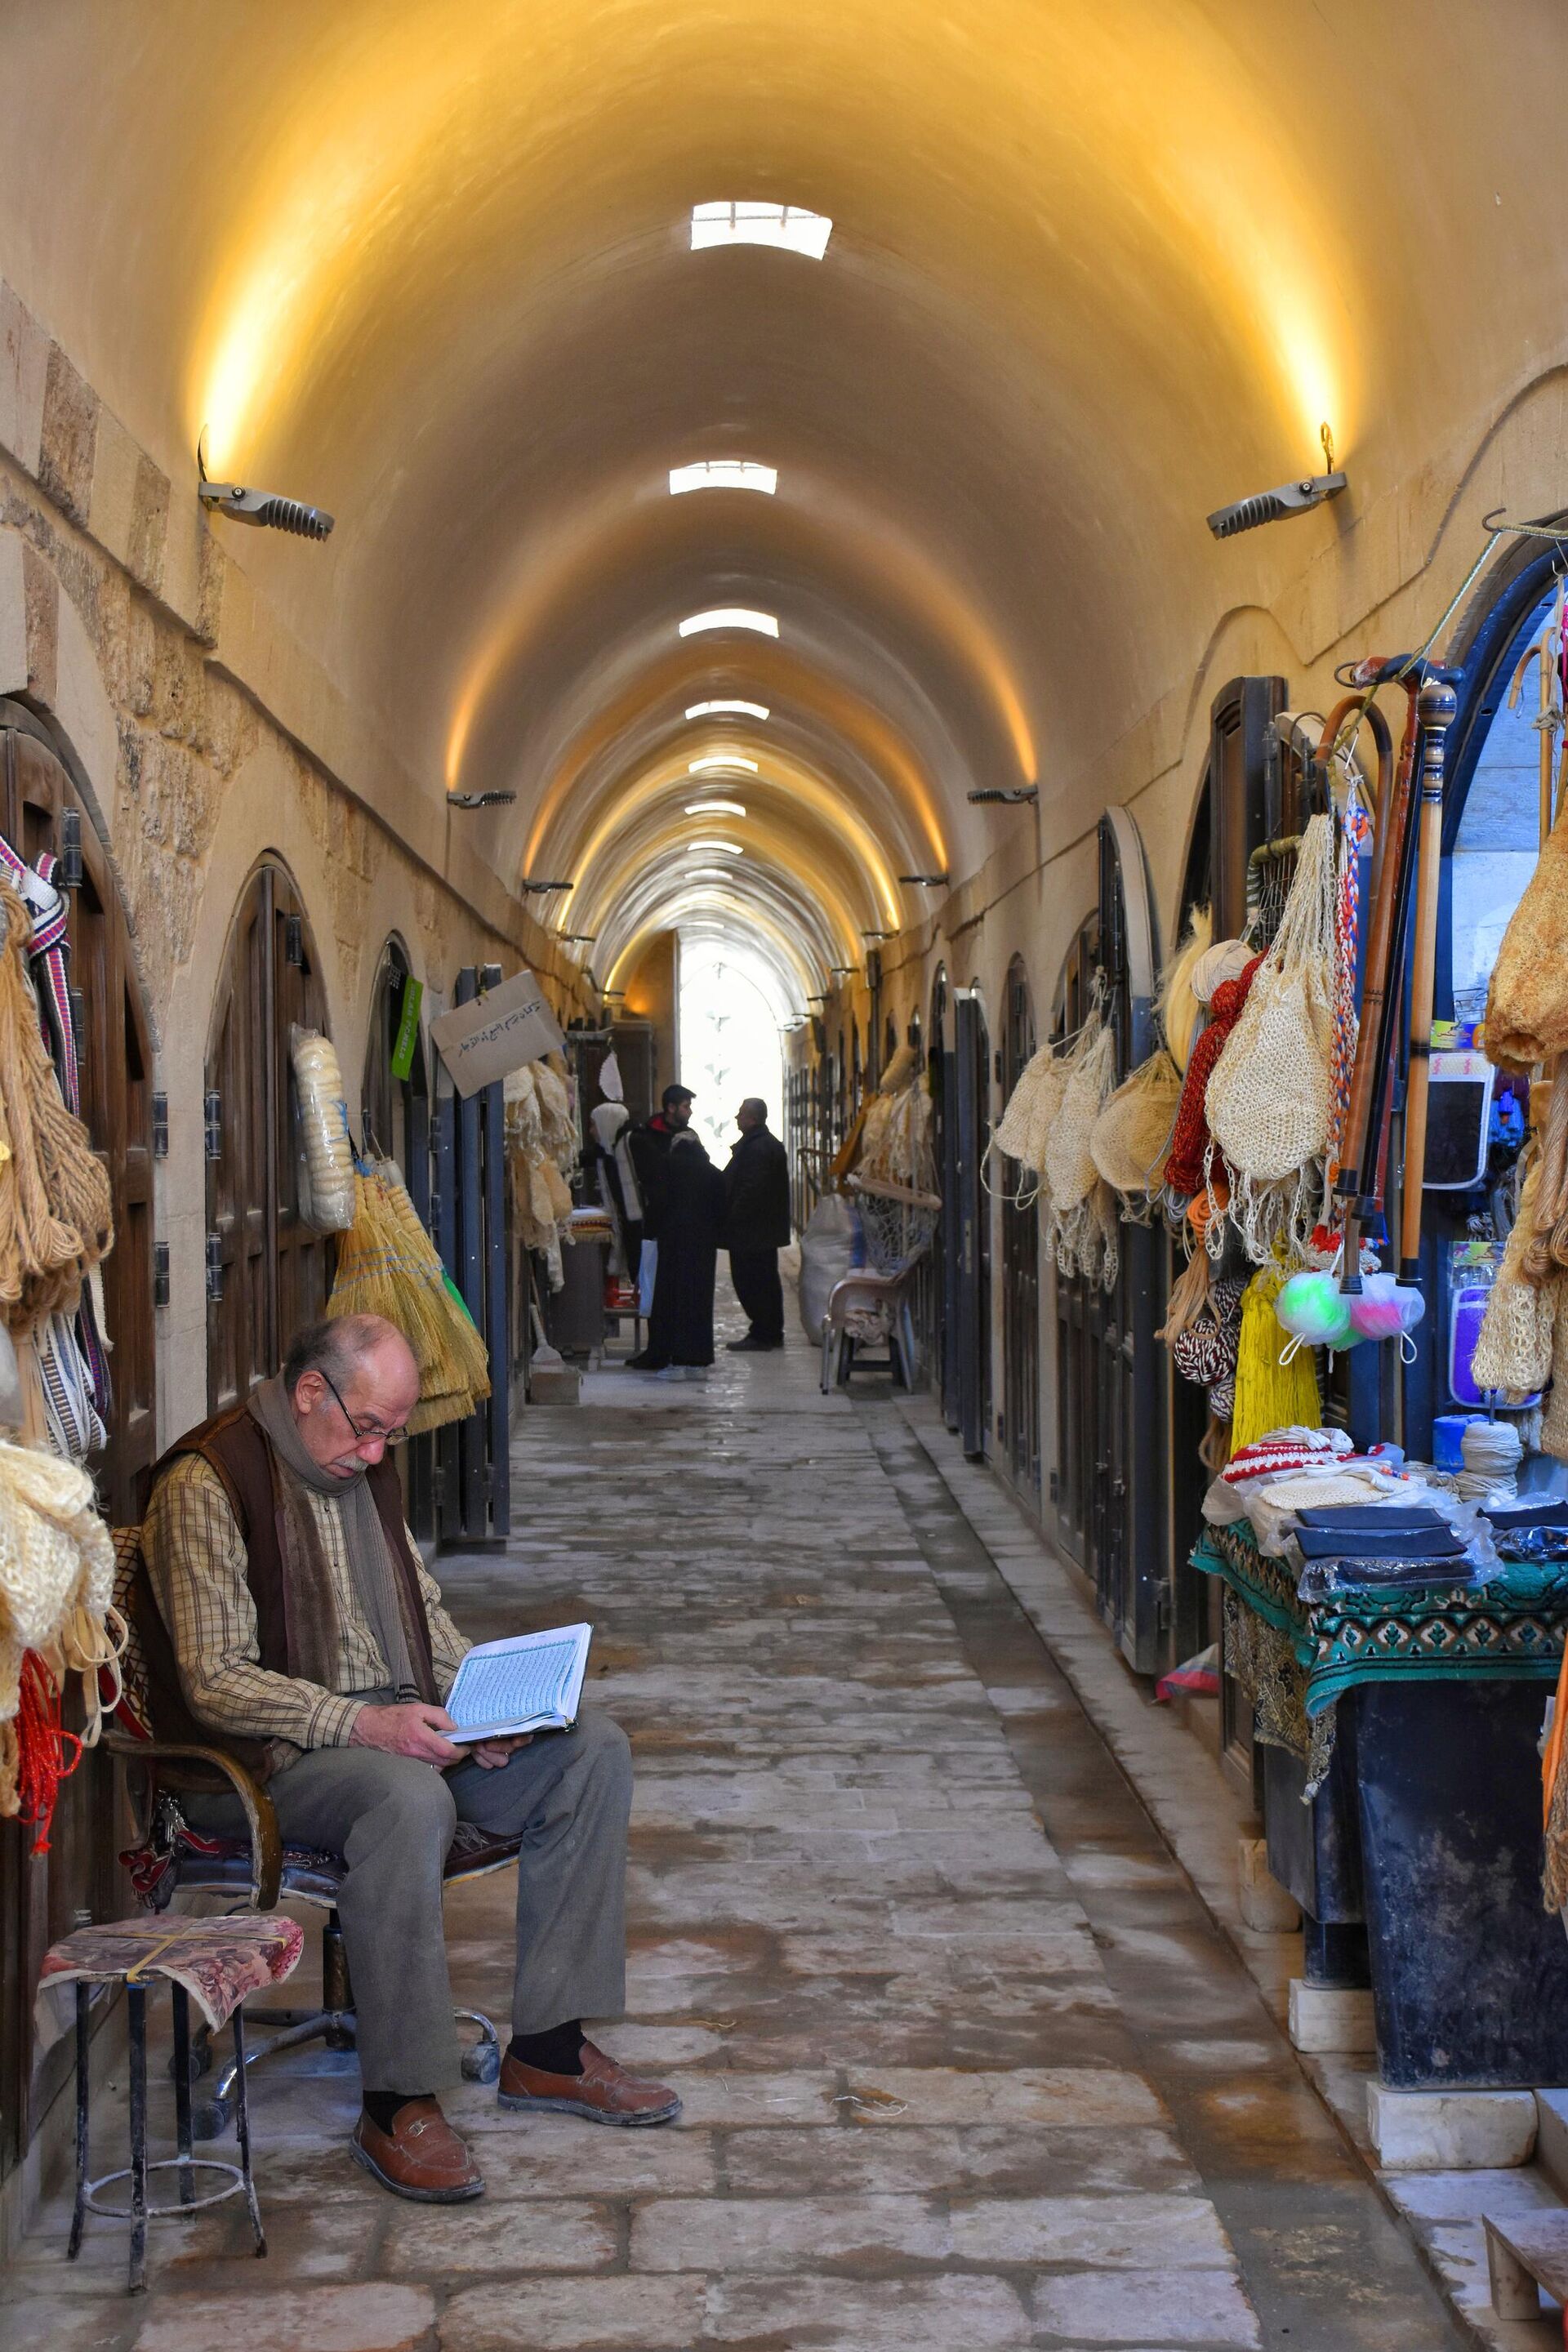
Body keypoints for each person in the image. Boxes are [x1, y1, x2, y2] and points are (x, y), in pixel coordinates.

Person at [141, 1313, 679, 2204]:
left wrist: (483, 1708)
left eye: (394, 1433)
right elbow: (217, 1681)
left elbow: (424, 1618)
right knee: (407, 1801)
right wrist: (364, 1728)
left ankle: (546, 2052)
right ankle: (398, 2102)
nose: (382, 1453)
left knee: (591, 1749)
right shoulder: (208, 1481)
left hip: (398, 1728)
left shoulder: (362, 1470)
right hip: (266, 1762)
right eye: (370, 1429)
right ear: (312, 1392)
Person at [639, 1128, 725, 1377]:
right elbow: (722, 1209)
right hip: (703, 1246)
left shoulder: (665, 1169)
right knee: (699, 1300)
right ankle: (697, 1360)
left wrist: (650, 1233)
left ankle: (675, 1360)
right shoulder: (712, 1174)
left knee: (671, 1300)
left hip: (673, 1243)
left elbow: (656, 1204)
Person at [625, 1085, 693, 1369]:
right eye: (686, 1106)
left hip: (682, 1224)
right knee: (656, 1288)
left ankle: (676, 1346)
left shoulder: (685, 1137)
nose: (690, 1112)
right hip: (656, 1224)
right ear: (671, 1108)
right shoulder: (646, 1138)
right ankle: (658, 1348)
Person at [724, 1096, 791, 1351]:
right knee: (764, 1281)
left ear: (752, 1119)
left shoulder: (758, 1148)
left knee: (753, 1282)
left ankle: (764, 1332)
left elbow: (751, 1190)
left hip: (752, 1232)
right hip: (760, 1231)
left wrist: (731, 1216)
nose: (736, 1117)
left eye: (741, 1113)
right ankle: (769, 1330)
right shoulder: (760, 1144)